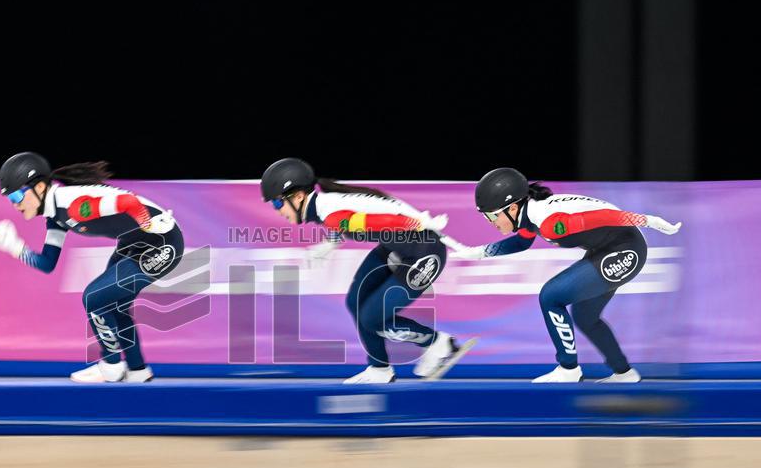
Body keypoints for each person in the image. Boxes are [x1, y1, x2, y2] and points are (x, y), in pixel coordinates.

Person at [453, 167, 682, 383]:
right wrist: (479, 252)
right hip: (607, 248)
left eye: (492, 216)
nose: (491, 223)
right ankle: (624, 373)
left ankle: (569, 369)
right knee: (585, 316)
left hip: (625, 250)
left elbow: (607, 216)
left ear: (512, 208)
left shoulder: (552, 222)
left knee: (551, 296)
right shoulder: (530, 214)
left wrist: (650, 221)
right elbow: (521, 242)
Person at [260, 157, 476, 384]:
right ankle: (379, 369)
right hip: (398, 247)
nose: (277, 210)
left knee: (372, 318)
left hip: (423, 254)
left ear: (299, 196)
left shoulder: (330, 212)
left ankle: (438, 343)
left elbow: (382, 221)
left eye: (277, 203)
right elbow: (345, 222)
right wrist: (330, 243)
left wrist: (418, 223)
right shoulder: (325, 207)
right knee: (355, 301)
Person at [0, 152, 182, 383]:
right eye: (10, 199)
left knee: (95, 297)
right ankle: (138, 370)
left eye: (17, 196)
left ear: (40, 187)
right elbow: (47, 263)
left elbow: (128, 202)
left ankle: (110, 365)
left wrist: (147, 223)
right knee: (114, 304)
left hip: (162, 242)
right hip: (135, 242)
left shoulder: (73, 206)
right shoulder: (55, 216)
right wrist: (16, 248)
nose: (15, 205)